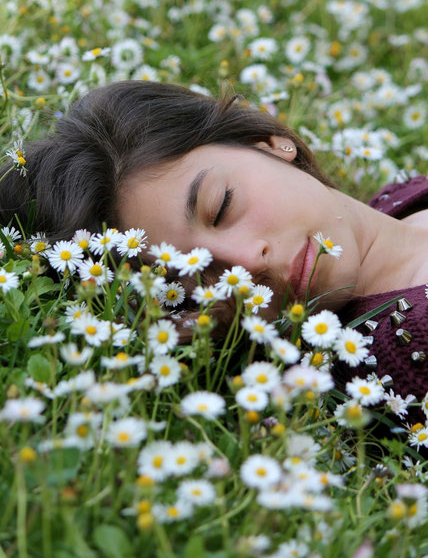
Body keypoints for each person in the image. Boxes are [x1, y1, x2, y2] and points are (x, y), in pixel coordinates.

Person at [1, 80, 428, 421]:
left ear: (269, 142)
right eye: (188, 279)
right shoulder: (403, 349)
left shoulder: (401, 200)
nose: (244, 263)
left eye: (222, 206)